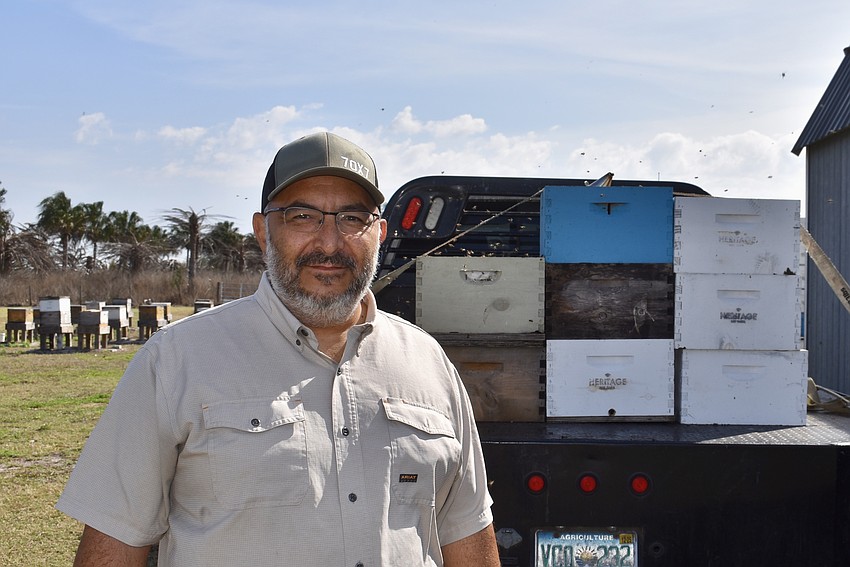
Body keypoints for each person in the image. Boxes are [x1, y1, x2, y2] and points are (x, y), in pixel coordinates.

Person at [57, 131, 500, 567]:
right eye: (302, 216)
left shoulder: (426, 361)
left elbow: (467, 532)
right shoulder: (176, 361)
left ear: (379, 234)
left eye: (351, 218)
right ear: (263, 232)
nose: (329, 243)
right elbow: (115, 541)